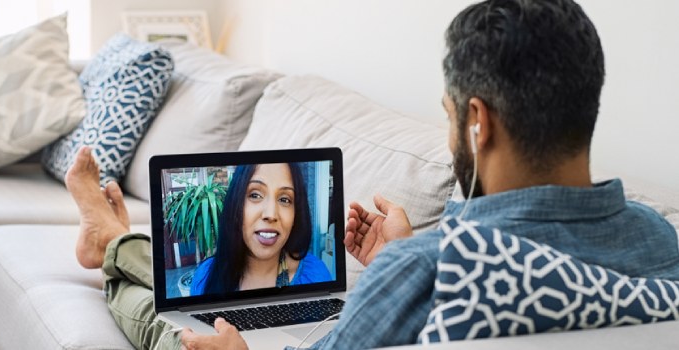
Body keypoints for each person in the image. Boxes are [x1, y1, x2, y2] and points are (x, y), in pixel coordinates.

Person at [66, 0, 679, 349]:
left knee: (178, 333)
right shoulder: (661, 244)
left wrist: (406, 262)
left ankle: (112, 239)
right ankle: (114, 239)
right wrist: (406, 251)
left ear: (476, 122)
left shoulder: (431, 270)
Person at [188, 163, 332, 296]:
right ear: (236, 204)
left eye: (284, 199)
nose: (270, 214)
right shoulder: (205, 277)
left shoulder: (316, 275)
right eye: (255, 195)